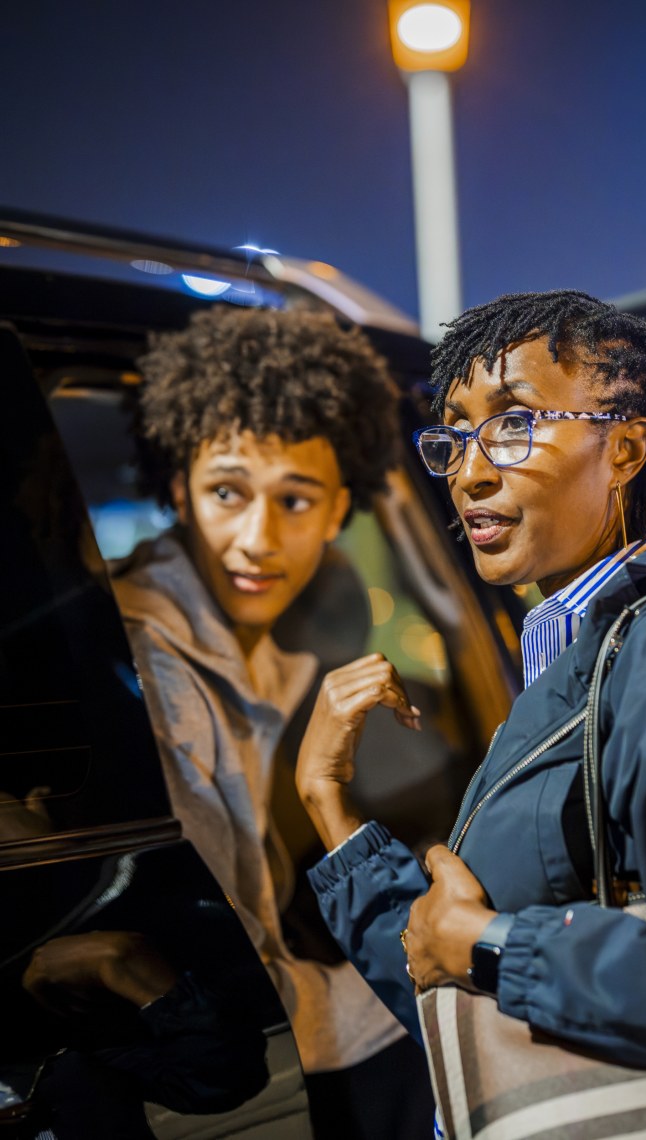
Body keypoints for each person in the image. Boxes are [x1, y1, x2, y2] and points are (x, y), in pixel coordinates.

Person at [298, 290, 646, 1093]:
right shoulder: (576, 651)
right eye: (455, 438)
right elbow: (459, 1004)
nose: (470, 473)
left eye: (513, 425)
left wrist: (491, 944)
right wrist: (328, 806)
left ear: (625, 450)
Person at [109, 305, 434, 1138]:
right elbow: (233, 973)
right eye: (227, 491)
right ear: (177, 487)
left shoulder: (261, 649)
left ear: (337, 515)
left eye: (295, 500)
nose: (256, 539)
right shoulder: (158, 665)